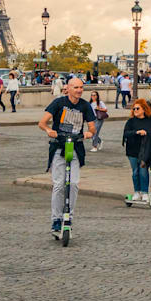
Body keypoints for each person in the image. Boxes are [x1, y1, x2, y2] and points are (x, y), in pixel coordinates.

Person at [39, 77, 96, 239]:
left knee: (74, 184)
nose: (79, 90)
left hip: (76, 146)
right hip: (59, 145)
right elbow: (42, 122)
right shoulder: (58, 103)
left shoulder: (85, 106)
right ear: (68, 88)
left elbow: (92, 126)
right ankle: (56, 219)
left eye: (81, 87)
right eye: (76, 87)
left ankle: (68, 218)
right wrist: (48, 130)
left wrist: (89, 132)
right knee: (58, 184)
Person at [122, 99, 151, 203]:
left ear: (144, 109)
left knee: (143, 171)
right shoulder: (131, 121)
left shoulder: (150, 120)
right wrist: (137, 132)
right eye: (134, 108)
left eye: (137, 108)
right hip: (132, 150)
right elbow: (126, 133)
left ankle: (144, 192)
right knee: (135, 172)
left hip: (145, 150)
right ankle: (137, 191)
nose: (135, 110)